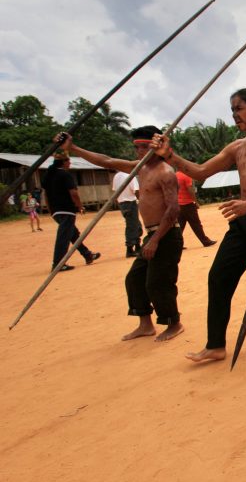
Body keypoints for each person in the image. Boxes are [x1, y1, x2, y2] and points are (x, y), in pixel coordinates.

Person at [151, 88, 246, 363]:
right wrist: (170, 156)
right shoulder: (236, 147)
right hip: (241, 222)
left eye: (239, 108)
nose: (235, 115)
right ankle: (215, 345)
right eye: (232, 110)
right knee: (218, 277)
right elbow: (201, 171)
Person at [64, 127, 184, 342]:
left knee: (158, 282)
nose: (139, 151)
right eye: (137, 147)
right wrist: (73, 148)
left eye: (144, 146)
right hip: (151, 235)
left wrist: (155, 240)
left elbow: (173, 209)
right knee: (134, 279)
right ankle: (145, 325)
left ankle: (174, 323)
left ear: (156, 145)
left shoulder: (165, 172)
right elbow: (107, 161)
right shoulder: (140, 168)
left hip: (166, 235)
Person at [41, 151, 101, 271]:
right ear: (64, 162)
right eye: (68, 161)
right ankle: (58, 263)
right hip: (66, 209)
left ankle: (87, 254)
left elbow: (46, 194)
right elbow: (73, 193)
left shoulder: (49, 175)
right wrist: (80, 206)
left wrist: (50, 209)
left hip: (56, 210)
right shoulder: (64, 175)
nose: (70, 163)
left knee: (73, 234)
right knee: (63, 237)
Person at [176, 170, 217, 248]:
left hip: (178, 204)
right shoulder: (186, 176)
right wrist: (195, 201)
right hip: (188, 204)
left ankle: (177, 245)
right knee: (196, 224)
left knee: (180, 226)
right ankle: (205, 241)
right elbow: (190, 189)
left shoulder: (175, 175)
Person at [112, 170, 142, 257]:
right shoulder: (130, 176)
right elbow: (136, 190)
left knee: (136, 225)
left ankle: (137, 246)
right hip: (130, 202)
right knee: (132, 226)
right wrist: (141, 201)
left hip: (122, 203)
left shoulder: (116, 176)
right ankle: (130, 249)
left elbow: (115, 191)